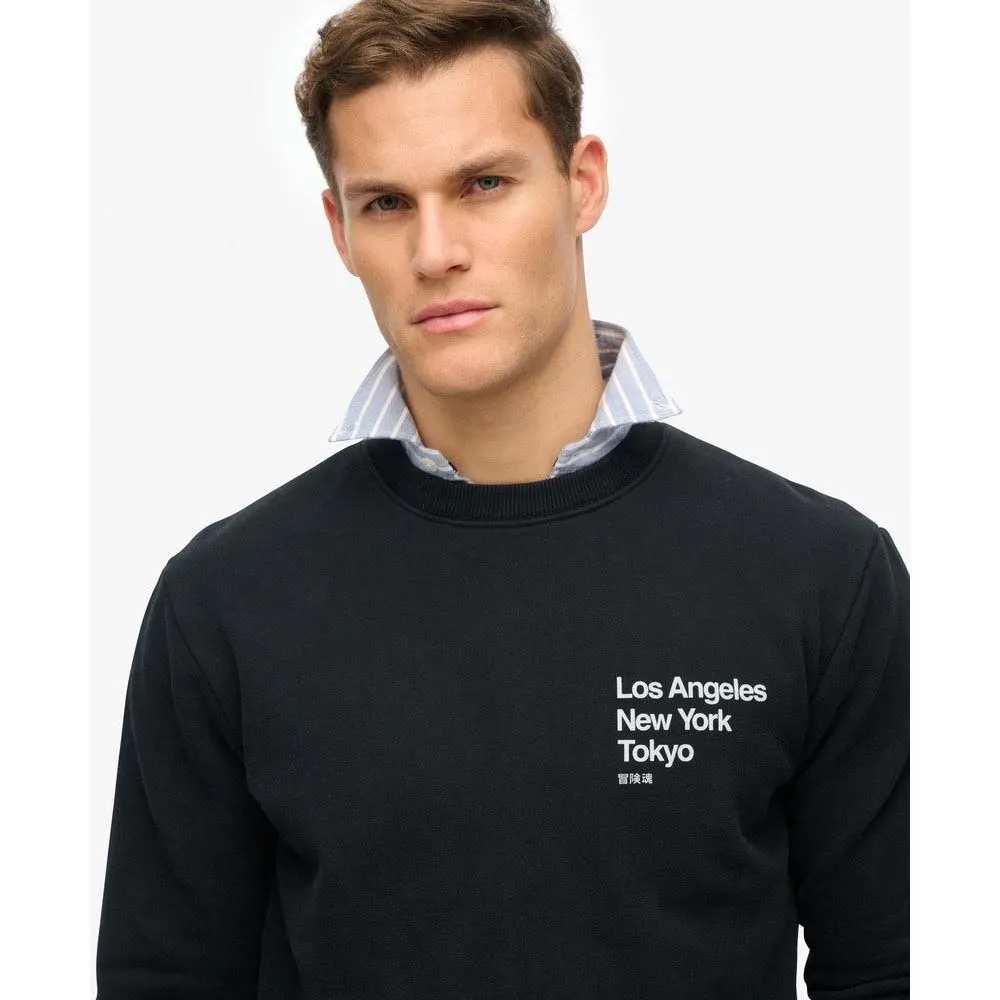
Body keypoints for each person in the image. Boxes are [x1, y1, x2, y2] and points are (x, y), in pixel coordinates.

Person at [96, 1, 909, 997]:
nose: (435, 250)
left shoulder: (821, 579)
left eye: (483, 184)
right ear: (339, 230)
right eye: (386, 203)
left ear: (582, 182)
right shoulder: (225, 603)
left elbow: (893, 970)